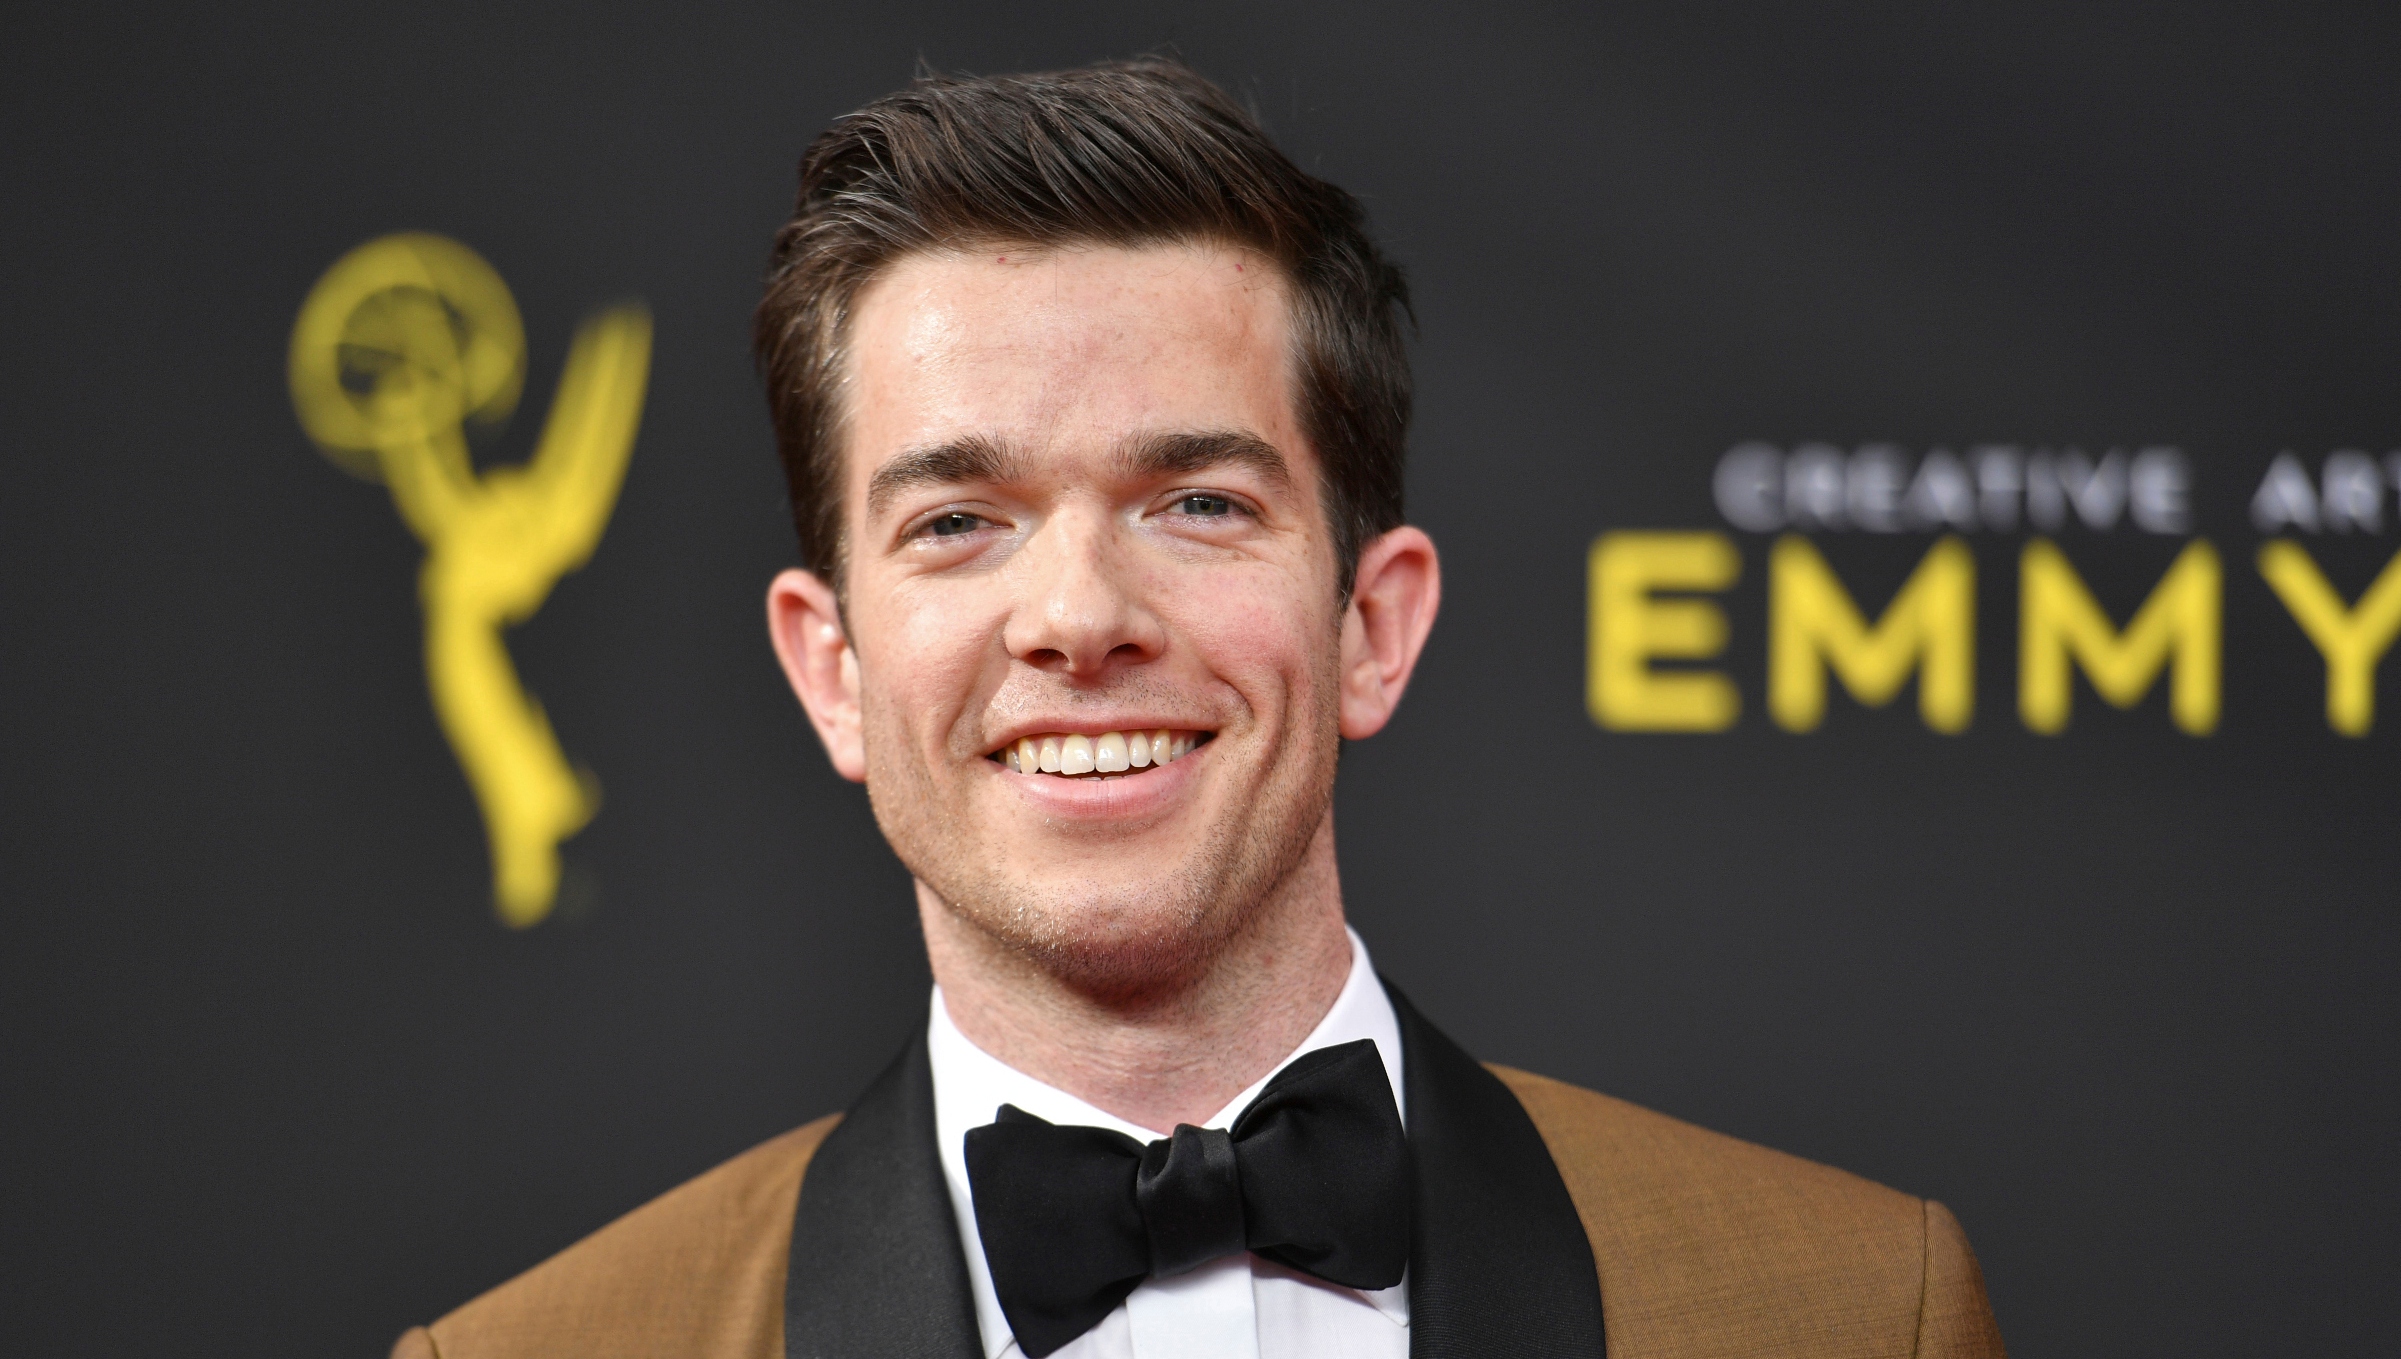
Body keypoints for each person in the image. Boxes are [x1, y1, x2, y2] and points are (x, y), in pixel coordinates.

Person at [392, 57, 2005, 1359]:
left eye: (1198, 504)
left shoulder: (1855, 1316)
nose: (1081, 618)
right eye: (958, 522)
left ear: (1373, 625)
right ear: (835, 671)